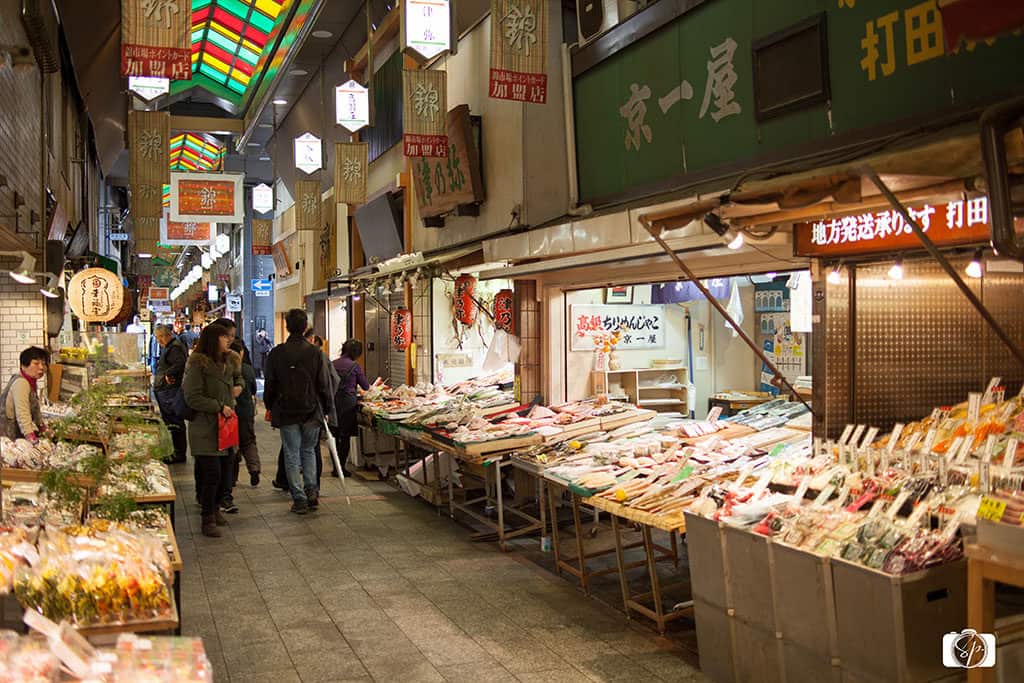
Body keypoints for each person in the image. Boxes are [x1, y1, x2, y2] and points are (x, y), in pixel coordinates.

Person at [264, 309, 334, 515]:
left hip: (286, 412)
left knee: (291, 454)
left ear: (287, 326)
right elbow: (323, 383)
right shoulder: (315, 353)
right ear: (305, 328)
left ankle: (299, 499)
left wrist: (270, 406)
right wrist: (327, 408)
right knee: (309, 450)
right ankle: (312, 490)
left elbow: (270, 385)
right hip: (311, 410)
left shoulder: (276, 353)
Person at [182, 324, 243, 538]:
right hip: (206, 427)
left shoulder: (229, 360)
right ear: (212, 340)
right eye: (224, 337)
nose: (228, 341)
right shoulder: (197, 364)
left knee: (225, 472)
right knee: (211, 474)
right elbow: (192, 396)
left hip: (226, 427)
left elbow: (239, 378)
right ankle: (207, 518)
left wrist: (240, 387)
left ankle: (216, 508)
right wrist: (219, 406)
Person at [332, 339, 369, 476]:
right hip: (348, 403)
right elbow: (365, 386)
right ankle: (341, 468)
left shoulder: (333, 364)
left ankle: (335, 467)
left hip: (334, 402)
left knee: (334, 436)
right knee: (345, 436)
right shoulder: (355, 366)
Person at [153, 324, 189, 464]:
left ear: (168, 335)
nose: (159, 340)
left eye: (161, 337)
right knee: (172, 422)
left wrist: (168, 373)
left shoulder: (174, 347)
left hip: (170, 391)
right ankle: (175, 452)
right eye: (157, 338)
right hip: (166, 390)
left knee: (175, 423)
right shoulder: (170, 347)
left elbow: (180, 363)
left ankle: (179, 454)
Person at [0, 347, 49, 442]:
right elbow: (22, 412)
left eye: (43, 364)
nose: (41, 367)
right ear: (23, 365)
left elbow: (35, 408)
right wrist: (30, 436)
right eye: (36, 363)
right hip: (7, 437)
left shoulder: (30, 382)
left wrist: (41, 426)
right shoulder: (21, 383)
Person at [230, 339, 260, 487]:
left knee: (232, 443)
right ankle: (254, 469)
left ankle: (232, 477)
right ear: (241, 352)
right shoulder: (247, 369)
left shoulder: (225, 368)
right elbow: (254, 389)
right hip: (246, 410)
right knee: (248, 441)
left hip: (230, 412)